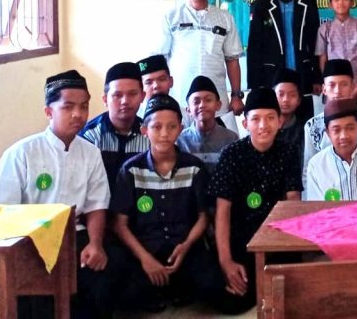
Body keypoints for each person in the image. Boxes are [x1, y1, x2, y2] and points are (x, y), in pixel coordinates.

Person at [0, 70, 113, 319]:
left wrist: (95, 244)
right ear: (49, 112)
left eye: (83, 106)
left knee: (99, 283)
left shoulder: (91, 153)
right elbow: (4, 211)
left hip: (75, 236)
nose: (78, 114)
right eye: (68, 107)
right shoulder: (21, 153)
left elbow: (97, 205)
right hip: (30, 240)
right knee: (36, 302)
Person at [112, 95, 224, 312]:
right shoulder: (131, 170)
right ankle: (162, 287)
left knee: (214, 288)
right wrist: (145, 259)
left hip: (185, 246)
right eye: (157, 127)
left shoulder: (194, 167)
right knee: (127, 296)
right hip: (146, 248)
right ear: (144, 130)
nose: (164, 134)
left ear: (180, 129)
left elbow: (203, 216)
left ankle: (176, 286)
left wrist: (186, 245)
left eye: (171, 127)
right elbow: (119, 223)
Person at [211, 87, 302, 315]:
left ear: (280, 121)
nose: (263, 125)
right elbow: (222, 210)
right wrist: (226, 261)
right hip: (243, 239)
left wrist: (285, 247)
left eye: (270, 118)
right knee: (230, 299)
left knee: (295, 295)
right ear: (245, 124)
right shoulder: (231, 154)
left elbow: (293, 202)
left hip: (277, 237)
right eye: (256, 119)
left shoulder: (289, 151)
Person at [158, 0, 244, 117]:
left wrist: (236, 96)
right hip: (180, 99)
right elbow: (159, 60)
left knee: (220, 133)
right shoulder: (171, 18)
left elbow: (232, 60)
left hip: (217, 100)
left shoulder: (225, 18)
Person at [246, 0, 321, 119]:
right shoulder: (260, 6)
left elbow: (315, 42)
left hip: (301, 75)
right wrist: (254, 85)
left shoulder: (308, 3)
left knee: (303, 125)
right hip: (271, 79)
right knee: (273, 123)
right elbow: (254, 47)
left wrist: (317, 77)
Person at [79, 61, 150, 192]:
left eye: (132, 94)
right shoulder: (90, 136)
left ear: (142, 96)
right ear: (105, 99)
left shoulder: (150, 135)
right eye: (117, 95)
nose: (125, 101)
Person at [303, 58, 357, 170]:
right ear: (324, 89)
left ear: (352, 87)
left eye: (344, 84)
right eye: (332, 85)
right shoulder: (312, 125)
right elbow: (308, 168)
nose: (337, 91)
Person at [177, 75, 239, 175]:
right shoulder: (180, 140)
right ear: (188, 110)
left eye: (208, 100)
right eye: (196, 102)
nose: (202, 105)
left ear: (218, 105)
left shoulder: (231, 139)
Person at [272, 67, 307, 149]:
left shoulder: (305, 130)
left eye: (292, 95)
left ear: (299, 100)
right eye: (281, 94)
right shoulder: (264, 127)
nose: (286, 100)